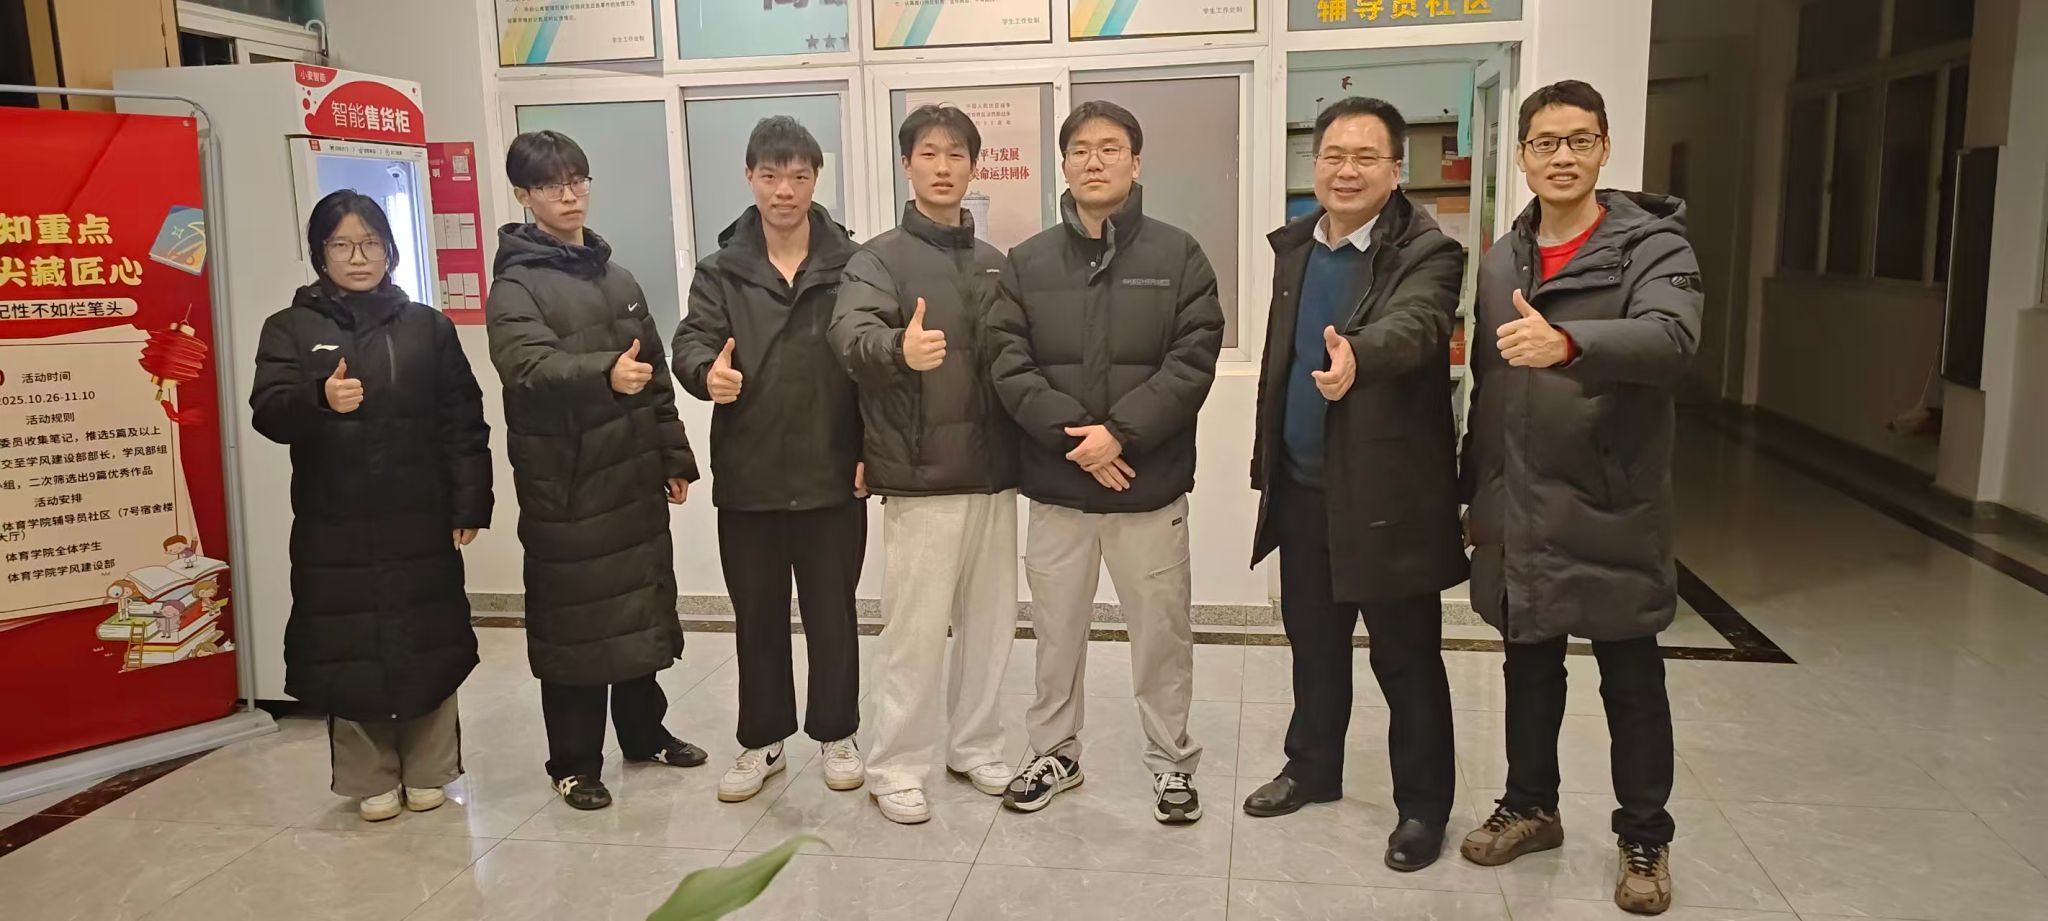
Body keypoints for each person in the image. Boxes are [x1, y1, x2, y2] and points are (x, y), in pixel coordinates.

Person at [1457, 80, 1700, 916]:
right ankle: (1531, 803)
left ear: (1604, 149)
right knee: (1529, 665)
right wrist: (1474, 490)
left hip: (1611, 500)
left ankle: (1644, 835)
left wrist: (1568, 342)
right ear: (1523, 155)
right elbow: (1487, 385)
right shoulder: (1502, 258)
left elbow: (1672, 339)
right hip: (1519, 499)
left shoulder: (1652, 246)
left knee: (1631, 675)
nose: (1562, 157)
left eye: (1579, 140)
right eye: (1545, 142)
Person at [1241, 97, 1468, 871]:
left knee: (1406, 659)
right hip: (1303, 486)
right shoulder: (1297, 246)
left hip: (1388, 497)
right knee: (1314, 643)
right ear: (1315, 165)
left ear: (1396, 169)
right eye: (1333, 155)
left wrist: (1360, 357)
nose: (1346, 170)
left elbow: (1418, 325)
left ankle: (1423, 807)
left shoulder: (1428, 250)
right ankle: (1312, 766)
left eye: (1366, 157)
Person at [987, 100, 1224, 825]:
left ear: (1136, 161)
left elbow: (1193, 359)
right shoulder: (1027, 262)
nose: (1095, 161)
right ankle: (1054, 752)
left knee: (1161, 635)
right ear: (1064, 164)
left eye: (1111, 148)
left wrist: (1119, 435)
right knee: (1055, 634)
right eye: (1081, 149)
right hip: (1059, 489)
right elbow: (1007, 361)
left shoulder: (1179, 255)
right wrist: (1080, 441)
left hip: (1148, 489)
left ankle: (1171, 761)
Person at [251, 190, 492, 822]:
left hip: (419, 515)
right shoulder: (289, 328)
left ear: (389, 250)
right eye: (341, 244)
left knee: (429, 639)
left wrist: (469, 501)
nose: (357, 257)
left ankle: (432, 768)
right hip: (335, 523)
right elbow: (267, 412)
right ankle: (370, 776)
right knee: (347, 646)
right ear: (319, 253)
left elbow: (463, 421)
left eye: (370, 243)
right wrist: (318, 399)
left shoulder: (428, 327)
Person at [486, 130, 709, 812]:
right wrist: (603, 373)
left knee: (637, 610)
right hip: (569, 484)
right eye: (552, 184)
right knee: (577, 626)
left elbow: (656, 376)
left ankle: (644, 733)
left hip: (632, 476)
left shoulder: (619, 279)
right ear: (523, 195)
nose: (570, 195)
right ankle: (574, 761)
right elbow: (526, 366)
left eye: (578, 179)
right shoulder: (515, 286)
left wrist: (673, 455)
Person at [830, 104, 1020, 825]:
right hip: (921, 471)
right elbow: (850, 336)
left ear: (974, 165)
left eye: (956, 154)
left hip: (995, 474)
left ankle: (975, 745)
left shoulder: (998, 261)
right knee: (914, 631)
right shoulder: (877, 259)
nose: (943, 167)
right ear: (907, 164)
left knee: (991, 624)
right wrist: (897, 349)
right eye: (929, 154)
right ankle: (897, 764)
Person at [671, 116, 867, 804]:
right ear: (750, 177)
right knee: (756, 618)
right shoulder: (721, 270)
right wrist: (707, 374)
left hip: (831, 471)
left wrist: (870, 451)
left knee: (833, 614)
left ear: (816, 180)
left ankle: (838, 733)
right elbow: (691, 341)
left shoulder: (852, 264)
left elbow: (870, 363)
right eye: (771, 175)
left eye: (799, 176)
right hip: (749, 474)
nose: (785, 190)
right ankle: (762, 740)